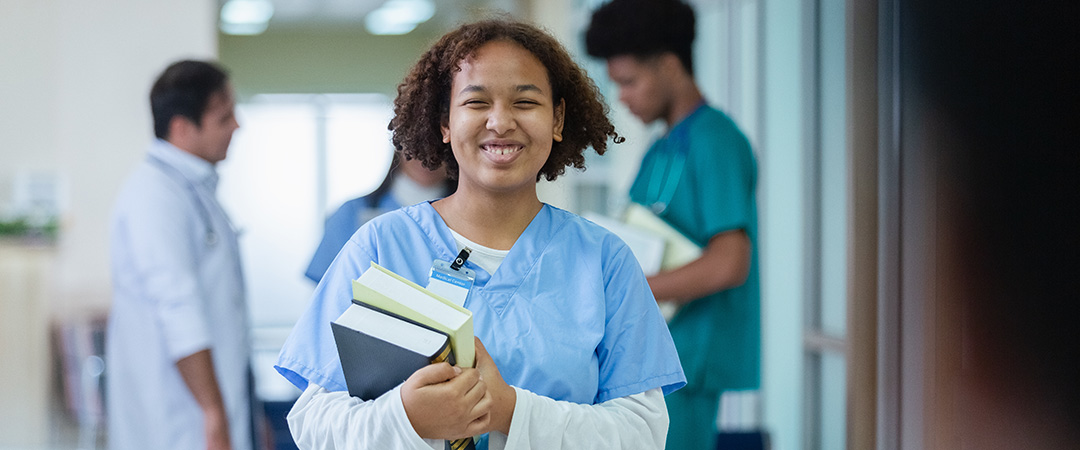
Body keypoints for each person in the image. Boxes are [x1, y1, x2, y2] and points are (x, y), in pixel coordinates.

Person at [275, 18, 686, 449]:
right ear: (444, 123)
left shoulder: (604, 262)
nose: (500, 122)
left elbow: (643, 432)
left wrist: (510, 411)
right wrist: (406, 418)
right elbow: (314, 424)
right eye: (476, 103)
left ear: (557, 119)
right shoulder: (379, 246)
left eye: (525, 102)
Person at [585, 1, 761, 449]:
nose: (621, 96)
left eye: (629, 81)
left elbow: (729, 263)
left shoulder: (715, 141)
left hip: (686, 360)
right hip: (653, 354)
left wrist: (633, 290)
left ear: (668, 64)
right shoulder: (663, 147)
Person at [107, 60, 252, 450]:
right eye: (224, 118)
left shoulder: (194, 191)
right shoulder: (153, 197)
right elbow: (179, 310)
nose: (237, 127)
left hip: (212, 411)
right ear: (182, 128)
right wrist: (214, 414)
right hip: (178, 422)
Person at [305, 154, 454, 284]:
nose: (427, 158)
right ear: (399, 149)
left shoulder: (469, 222)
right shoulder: (352, 212)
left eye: (439, 150)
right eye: (418, 147)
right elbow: (327, 292)